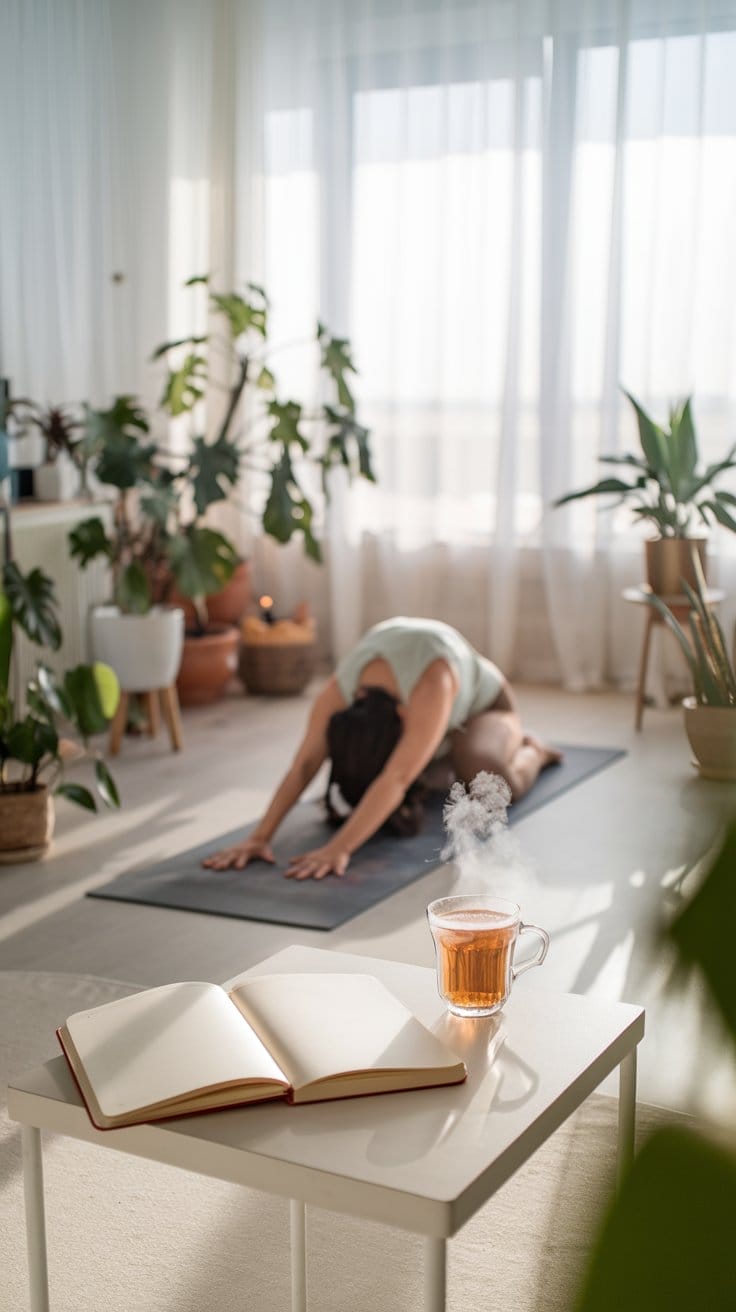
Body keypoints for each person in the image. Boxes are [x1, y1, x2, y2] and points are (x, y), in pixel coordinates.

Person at [202, 616, 561, 881]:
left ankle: (534, 749)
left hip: (486, 705)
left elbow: (398, 775)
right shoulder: (341, 692)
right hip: (429, 722)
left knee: (487, 780)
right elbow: (305, 764)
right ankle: (435, 753)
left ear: (405, 718)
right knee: (413, 772)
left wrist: (339, 848)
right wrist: (259, 838)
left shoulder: (430, 684)